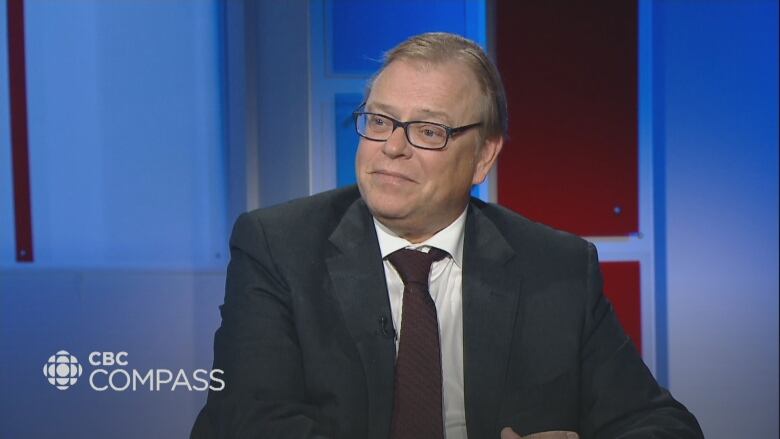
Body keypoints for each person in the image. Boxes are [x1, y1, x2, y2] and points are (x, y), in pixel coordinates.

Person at [192, 32, 703, 439]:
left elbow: (661, 425)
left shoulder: (558, 267)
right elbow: (255, 422)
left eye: (429, 130)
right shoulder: (277, 245)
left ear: (484, 156)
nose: (392, 147)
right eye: (380, 120)